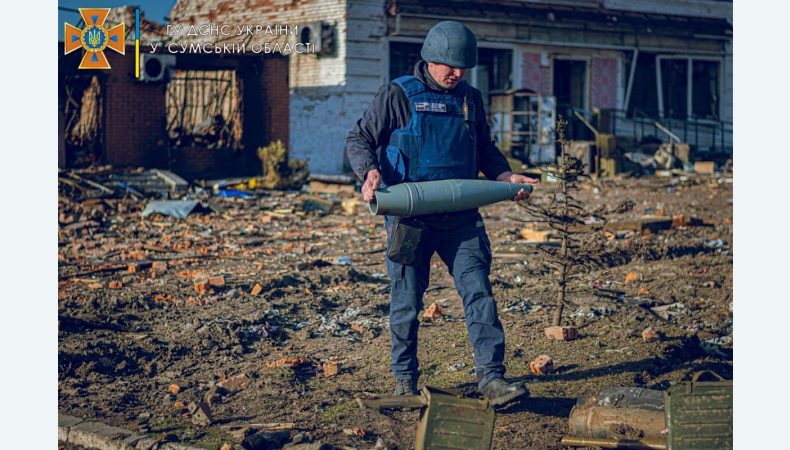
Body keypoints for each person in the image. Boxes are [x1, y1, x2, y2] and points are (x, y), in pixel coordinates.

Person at [344, 21, 538, 406]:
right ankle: (405, 382)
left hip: (461, 218)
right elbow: (360, 138)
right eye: (450, 66)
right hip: (411, 219)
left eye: (464, 67)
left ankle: (492, 380)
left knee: (479, 293)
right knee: (407, 302)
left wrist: (503, 174)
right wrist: (369, 170)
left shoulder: (471, 100)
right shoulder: (397, 94)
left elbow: (484, 147)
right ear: (429, 59)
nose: (457, 74)